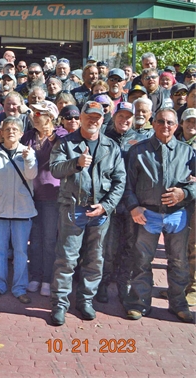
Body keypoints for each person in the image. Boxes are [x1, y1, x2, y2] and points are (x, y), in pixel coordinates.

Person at [49, 101, 126, 326]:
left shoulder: (111, 146)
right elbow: (55, 169)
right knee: (66, 259)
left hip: (100, 212)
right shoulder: (66, 143)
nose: (93, 120)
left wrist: (106, 206)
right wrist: (76, 163)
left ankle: (85, 301)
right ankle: (60, 304)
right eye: (89, 116)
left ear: (103, 120)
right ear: (81, 118)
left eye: (97, 117)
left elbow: (120, 181)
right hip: (73, 209)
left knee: (95, 259)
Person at [122, 108, 196, 324]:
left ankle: (178, 304)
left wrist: (185, 193)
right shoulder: (138, 151)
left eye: (170, 122)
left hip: (177, 215)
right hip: (147, 214)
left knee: (179, 262)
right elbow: (127, 184)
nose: (165, 126)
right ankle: (139, 303)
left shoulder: (187, 152)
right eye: (161, 121)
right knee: (142, 261)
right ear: (153, 123)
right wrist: (133, 207)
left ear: (176, 126)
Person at [0, 116, 37, 304]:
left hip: (22, 209)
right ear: (2, 133)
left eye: (15, 129)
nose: (11, 132)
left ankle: (20, 288)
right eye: (7, 129)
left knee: (21, 252)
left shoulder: (28, 152)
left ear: (21, 133)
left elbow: (32, 175)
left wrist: (29, 160)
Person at [99, 101, 150, 304]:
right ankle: (103, 283)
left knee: (129, 246)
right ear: (114, 117)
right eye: (120, 116)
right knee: (108, 246)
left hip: (131, 202)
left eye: (128, 117)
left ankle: (123, 284)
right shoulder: (104, 137)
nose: (124, 120)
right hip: (109, 200)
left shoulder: (141, 141)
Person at [22, 101, 67, 297]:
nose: (34, 116)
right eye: (34, 112)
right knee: (35, 239)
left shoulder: (60, 135)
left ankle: (48, 279)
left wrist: (51, 135)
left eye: (39, 113)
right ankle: (35, 276)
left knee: (49, 240)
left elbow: (66, 144)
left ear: (50, 117)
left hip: (51, 197)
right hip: (30, 196)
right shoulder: (28, 136)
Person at [178, 108, 196, 306]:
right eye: (188, 121)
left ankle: (194, 288)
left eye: (195, 122)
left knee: (194, 246)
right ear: (182, 123)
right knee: (180, 246)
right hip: (180, 201)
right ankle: (181, 286)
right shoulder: (175, 142)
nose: (192, 125)